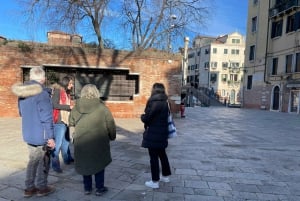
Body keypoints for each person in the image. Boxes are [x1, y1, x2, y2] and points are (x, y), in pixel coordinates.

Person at [11, 66, 56, 197]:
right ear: (42, 78)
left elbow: (21, 112)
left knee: (32, 161)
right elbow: (47, 117)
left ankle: (29, 188)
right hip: (41, 135)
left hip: (28, 132)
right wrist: (51, 137)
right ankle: (42, 187)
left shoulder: (22, 93)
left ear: (30, 77)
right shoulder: (42, 94)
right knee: (43, 161)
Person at [69, 84, 116, 196]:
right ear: (96, 93)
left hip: (81, 141)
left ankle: (87, 188)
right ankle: (99, 188)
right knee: (99, 163)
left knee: (85, 163)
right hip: (99, 141)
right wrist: (112, 136)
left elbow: (71, 122)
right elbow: (110, 124)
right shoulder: (103, 108)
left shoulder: (76, 107)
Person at [141, 83, 171, 189]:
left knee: (153, 158)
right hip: (163, 133)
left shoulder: (153, 102)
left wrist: (142, 116)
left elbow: (147, 118)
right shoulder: (166, 102)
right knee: (162, 155)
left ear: (154, 90)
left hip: (153, 133)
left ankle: (155, 181)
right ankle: (166, 176)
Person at [51, 76, 74, 173]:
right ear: (65, 83)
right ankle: (55, 165)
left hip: (66, 120)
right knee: (58, 144)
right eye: (70, 83)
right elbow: (54, 105)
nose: (72, 85)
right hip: (59, 121)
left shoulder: (66, 92)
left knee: (66, 142)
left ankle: (67, 159)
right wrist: (69, 107)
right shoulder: (57, 91)